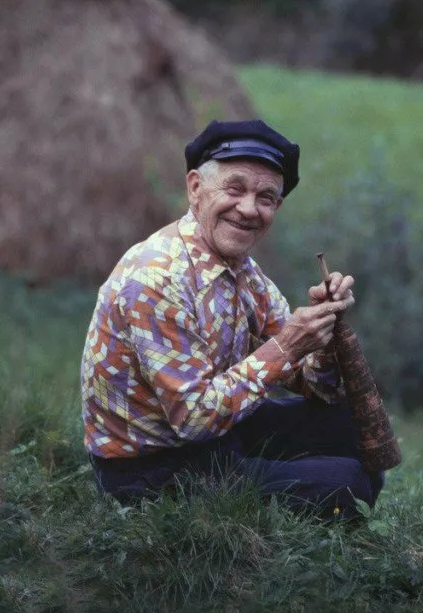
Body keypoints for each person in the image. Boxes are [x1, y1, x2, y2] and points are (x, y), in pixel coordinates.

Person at [79, 118, 383, 519]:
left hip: (216, 436)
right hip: (150, 469)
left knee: (356, 426)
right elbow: (193, 420)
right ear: (195, 188)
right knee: (348, 483)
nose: (248, 209)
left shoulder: (242, 270)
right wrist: (289, 343)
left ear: (276, 207)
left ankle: (327, 504)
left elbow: (315, 388)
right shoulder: (154, 278)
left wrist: (323, 336)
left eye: (266, 197)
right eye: (235, 188)